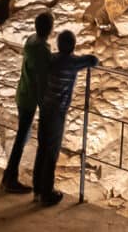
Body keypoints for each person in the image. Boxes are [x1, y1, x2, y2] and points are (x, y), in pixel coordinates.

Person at [30, 30, 100, 207]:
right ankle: (47, 193)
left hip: (44, 108)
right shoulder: (71, 62)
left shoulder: (52, 59)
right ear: (72, 47)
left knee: (42, 148)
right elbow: (93, 61)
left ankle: (37, 189)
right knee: (52, 152)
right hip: (56, 113)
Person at [0, 13, 55, 194]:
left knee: (23, 135)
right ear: (50, 29)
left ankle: (8, 176)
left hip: (22, 93)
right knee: (21, 138)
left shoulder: (31, 40)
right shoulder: (41, 50)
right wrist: (44, 103)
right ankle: (10, 179)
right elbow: (40, 79)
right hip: (30, 98)